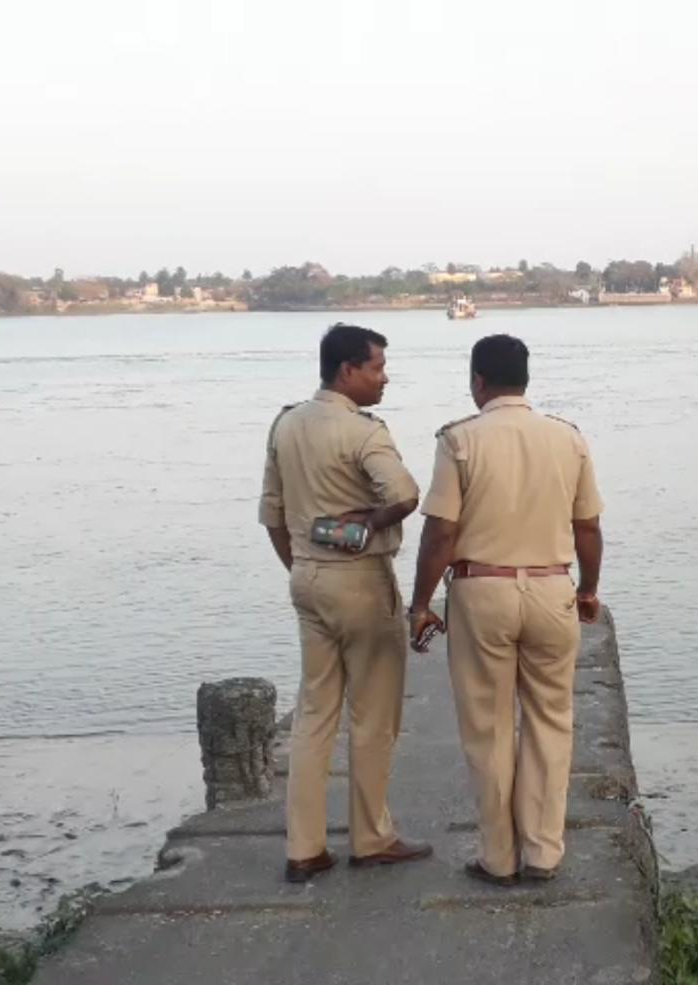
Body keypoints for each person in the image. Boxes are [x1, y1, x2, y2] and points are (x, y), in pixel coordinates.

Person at [407, 334, 605, 887]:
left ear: (477, 382)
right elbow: (588, 527)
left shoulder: (460, 441)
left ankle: (499, 857)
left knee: (488, 727)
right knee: (550, 721)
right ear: (525, 379)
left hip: (481, 590)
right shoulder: (568, 439)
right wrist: (589, 590)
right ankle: (543, 852)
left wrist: (421, 604)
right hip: (551, 588)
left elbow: (441, 531)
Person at [258, 322, 432, 884]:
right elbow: (405, 493)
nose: (384, 378)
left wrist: (304, 565)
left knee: (314, 716)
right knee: (373, 716)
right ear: (348, 371)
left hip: (307, 577)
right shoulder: (363, 433)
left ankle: (304, 848)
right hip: (359, 580)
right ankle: (371, 836)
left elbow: (273, 514)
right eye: (377, 367)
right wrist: (371, 522)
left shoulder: (285, 424)